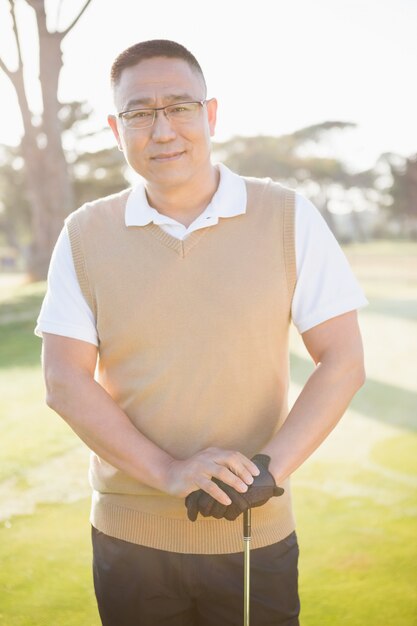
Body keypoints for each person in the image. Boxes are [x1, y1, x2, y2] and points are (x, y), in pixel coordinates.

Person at [35, 39, 367, 626]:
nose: (162, 130)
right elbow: (64, 380)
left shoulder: (288, 216)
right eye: (139, 113)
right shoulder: (84, 233)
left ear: (209, 115)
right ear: (117, 129)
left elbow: (342, 360)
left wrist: (268, 470)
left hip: (251, 534)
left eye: (179, 107)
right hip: (128, 541)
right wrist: (168, 472)